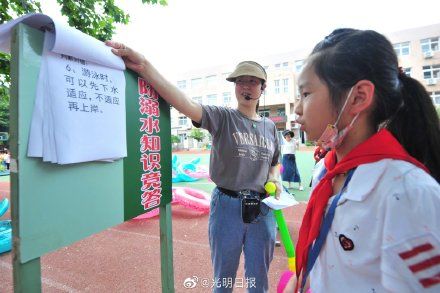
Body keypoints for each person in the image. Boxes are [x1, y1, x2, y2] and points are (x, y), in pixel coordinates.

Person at [107, 41, 282, 293]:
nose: (245, 86)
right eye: (240, 81)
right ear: (234, 87)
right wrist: (144, 66)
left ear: (262, 88)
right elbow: (184, 102)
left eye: (252, 81)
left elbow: (273, 162)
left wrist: (274, 178)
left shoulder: (270, 127)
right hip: (227, 206)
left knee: (258, 281)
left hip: (261, 209)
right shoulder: (222, 117)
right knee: (224, 280)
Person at [281, 28, 440, 292]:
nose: (297, 109)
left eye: (306, 94)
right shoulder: (326, 172)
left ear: (358, 97)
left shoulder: (408, 194)